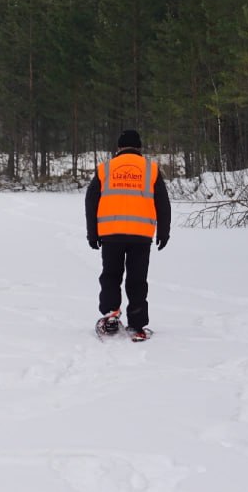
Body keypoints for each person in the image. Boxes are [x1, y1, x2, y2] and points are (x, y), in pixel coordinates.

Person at [85, 128, 171, 341]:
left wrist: (92, 233)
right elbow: (163, 203)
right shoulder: (151, 169)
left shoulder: (105, 168)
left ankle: (111, 314)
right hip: (141, 235)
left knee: (111, 275)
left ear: (119, 147)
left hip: (111, 233)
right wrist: (164, 232)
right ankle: (137, 323)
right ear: (139, 147)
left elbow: (91, 201)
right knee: (137, 279)